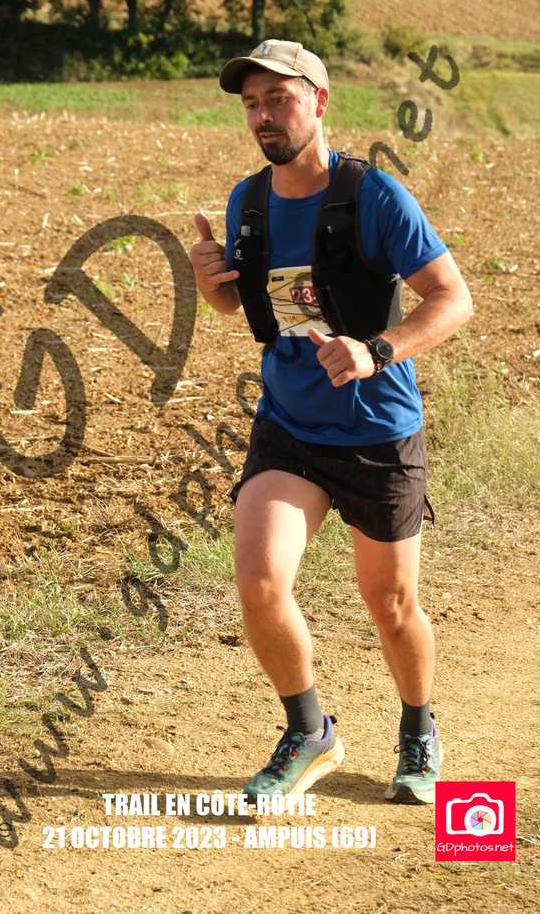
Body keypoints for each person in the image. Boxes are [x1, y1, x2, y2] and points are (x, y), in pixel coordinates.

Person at [190, 40, 472, 805]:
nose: (263, 116)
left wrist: (377, 350)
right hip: (290, 426)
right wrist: (210, 282)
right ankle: (309, 731)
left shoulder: (373, 197)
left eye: (279, 99)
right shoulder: (248, 203)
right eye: (252, 103)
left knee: (390, 606)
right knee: (259, 581)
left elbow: (452, 298)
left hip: (378, 431)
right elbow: (249, 307)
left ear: (318, 101)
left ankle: (418, 726)